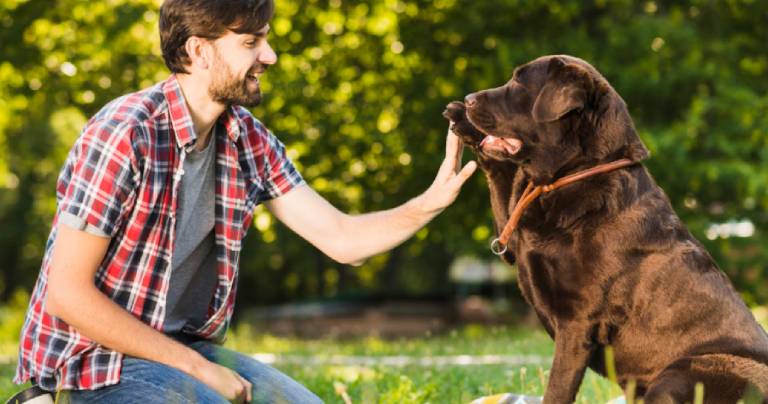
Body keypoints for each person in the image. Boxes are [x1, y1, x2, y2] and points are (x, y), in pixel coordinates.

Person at [13, 0, 477, 402]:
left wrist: (429, 202)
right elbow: (68, 294)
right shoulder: (125, 132)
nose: (269, 57)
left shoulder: (245, 138)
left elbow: (342, 239)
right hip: (93, 364)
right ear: (199, 51)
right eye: (251, 42)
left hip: (177, 350)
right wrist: (201, 370)